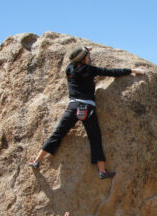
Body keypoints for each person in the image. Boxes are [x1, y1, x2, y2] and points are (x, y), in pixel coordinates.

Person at [28, 46, 145, 179]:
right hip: (87, 108)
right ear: (84, 58)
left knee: (57, 134)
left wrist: (83, 50)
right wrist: (132, 70)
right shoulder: (90, 70)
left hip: (72, 107)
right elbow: (111, 72)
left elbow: (76, 61)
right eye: (87, 56)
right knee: (95, 138)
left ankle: (36, 161)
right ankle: (102, 171)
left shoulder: (69, 69)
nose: (89, 58)